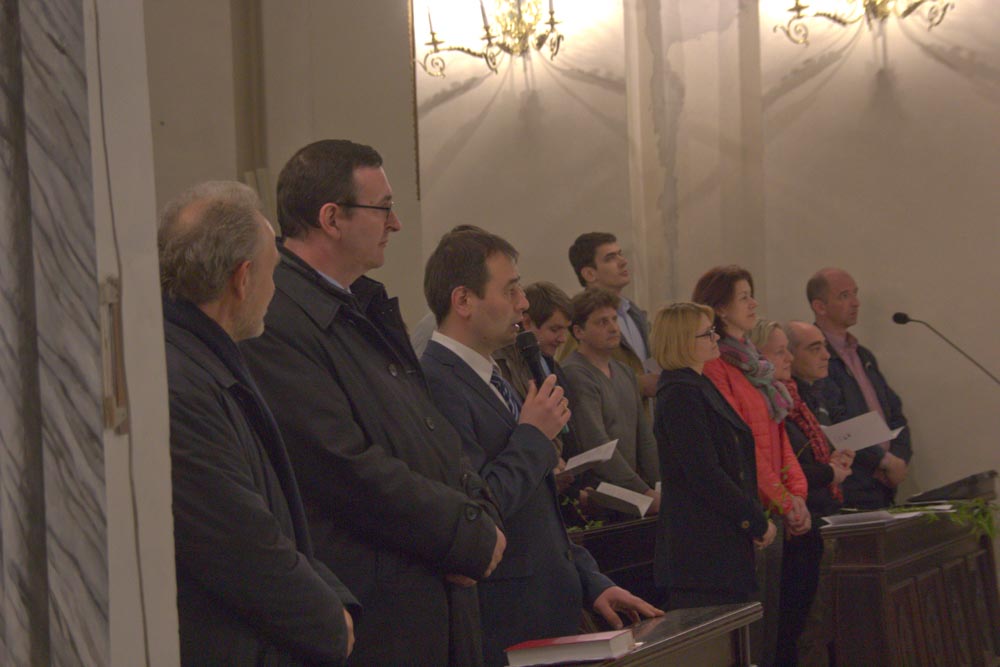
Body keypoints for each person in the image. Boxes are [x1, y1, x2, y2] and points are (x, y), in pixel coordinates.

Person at [240, 140, 505, 667]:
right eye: (383, 208)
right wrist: (460, 533)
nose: (396, 223)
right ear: (332, 219)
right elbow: (340, 464)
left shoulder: (362, 304)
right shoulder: (277, 318)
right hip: (380, 616)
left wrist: (480, 514)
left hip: (432, 602)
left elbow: (432, 432)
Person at [420, 228, 662, 667]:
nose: (523, 303)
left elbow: (538, 508)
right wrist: (533, 435)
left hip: (549, 602)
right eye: (510, 289)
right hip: (507, 617)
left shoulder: (491, 376)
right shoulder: (437, 383)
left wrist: (591, 580)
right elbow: (477, 508)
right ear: (464, 301)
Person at [158, 181, 358, 665]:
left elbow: (275, 515)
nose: (276, 289)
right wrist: (329, 621)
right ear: (243, 279)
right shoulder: (182, 382)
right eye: (274, 271)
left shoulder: (203, 359)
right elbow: (240, 544)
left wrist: (332, 598)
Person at [693, 265, 808, 667]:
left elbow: (778, 435)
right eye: (744, 297)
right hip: (749, 509)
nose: (754, 303)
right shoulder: (716, 367)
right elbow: (741, 447)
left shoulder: (755, 365)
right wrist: (782, 500)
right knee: (753, 634)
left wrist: (797, 495)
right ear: (721, 309)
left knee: (772, 626)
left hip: (774, 504)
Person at [649, 302, 776, 610]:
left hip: (719, 545)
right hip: (702, 551)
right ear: (682, 342)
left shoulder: (698, 384)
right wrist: (752, 519)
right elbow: (704, 472)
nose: (716, 338)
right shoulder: (680, 393)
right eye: (707, 333)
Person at [752, 320, 853, 667]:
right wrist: (826, 474)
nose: (789, 359)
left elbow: (795, 462)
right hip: (787, 526)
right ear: (756, 356)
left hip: (806, 518)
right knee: (790, 633)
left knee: (811, 627)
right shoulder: (765, 401)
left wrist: (831, 466)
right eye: (780, 352)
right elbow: (771, 468)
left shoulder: (789, 397)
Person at [782, 320, 856, 666]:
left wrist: (833, 463)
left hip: (821, 514)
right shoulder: (782, 403)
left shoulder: (807, 397)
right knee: (805, 626)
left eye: (825, 346)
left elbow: (810, 459)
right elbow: (786, 470)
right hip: (801, 522)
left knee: (824, 622)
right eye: (815, 348)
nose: (826, 355)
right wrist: (829, 471)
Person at [807, 267, 912, 509]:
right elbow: (837, 422)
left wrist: (899, 459)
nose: (856, 302)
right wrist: (881, 460)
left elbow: (895, 413)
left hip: (883, 484)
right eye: (844, 296)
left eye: (855, 293)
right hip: (853, 485)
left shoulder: (863, 355)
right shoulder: (815, 358)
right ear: (820, 307)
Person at [561, 287, 660, 510]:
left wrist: (660, 485)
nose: (613, 328)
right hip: (600, 493)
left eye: (614, 319)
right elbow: (596, 442)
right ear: (579, 331)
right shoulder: (576, 373)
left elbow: (644, 437)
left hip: (633, 488)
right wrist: (643, 491)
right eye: (601, 322)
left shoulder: (624, 371)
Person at [562, 232, 659, 400]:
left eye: (620, 254)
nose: (623, 262)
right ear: (589, 274)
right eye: (610, 258)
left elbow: (645, 360)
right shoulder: (578, 317)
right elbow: (570, 376)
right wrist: (638, 385)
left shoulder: (633, 313)